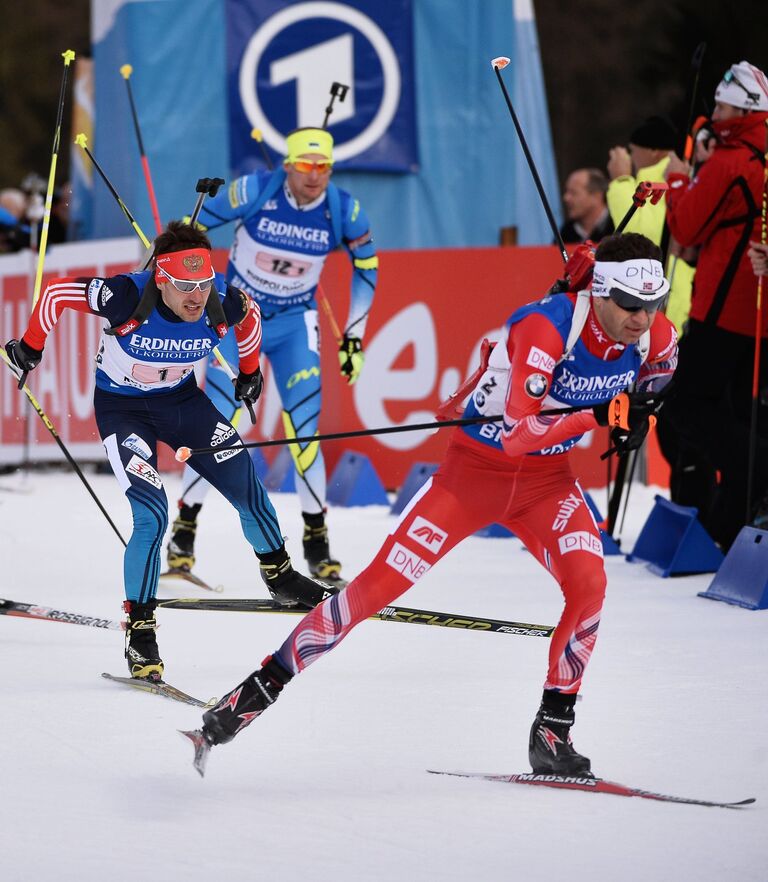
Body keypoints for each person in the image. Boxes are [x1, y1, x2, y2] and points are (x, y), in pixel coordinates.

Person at [183, 232, 678, 778]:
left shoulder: (656, 335)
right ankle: (253, 693)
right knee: (372, 590)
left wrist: (638, 419)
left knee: (590, 585)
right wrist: (599, 415)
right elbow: (516, 434)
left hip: (548, 484)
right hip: (473, 475)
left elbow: (653, 392)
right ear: (602, 293)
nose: (641, 318)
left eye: (652, 304)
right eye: (630, 305)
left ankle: (552, 733)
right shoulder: (545, 325)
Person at [4, 221, 331, 681]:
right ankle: (140, 629)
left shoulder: (220, 300)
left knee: (245, 480)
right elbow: (57, 295)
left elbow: (251, 317)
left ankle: (279, 575)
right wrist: (29, 347)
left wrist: (250, 373)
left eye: (203, 285)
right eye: (185, 287)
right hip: (123, 411)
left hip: (182, 406)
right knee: (152, 513)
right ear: (161, 278)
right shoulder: (125, 296)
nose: (197, 297)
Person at [167, 127, 378, 586]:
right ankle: (183, 535)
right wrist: (186, 266)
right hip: (237, 318)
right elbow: (193, 228)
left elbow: (368, 265)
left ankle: (317, 546)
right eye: (305, 165)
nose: (315, 175)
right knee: (218, 424)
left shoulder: (342, 208)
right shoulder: (256, 190)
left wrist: (354, 336)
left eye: (323, 166)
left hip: (294, 327)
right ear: (288, 165)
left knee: (305, 431)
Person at [663, 60, 768, 550]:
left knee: (684, 405)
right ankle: (725, 526)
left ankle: (756, 468)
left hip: (721, 311)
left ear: (743, 108)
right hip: (751, 312)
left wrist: (680, 180)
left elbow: (685, 228)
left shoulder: (731, 160)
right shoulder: (753, 152)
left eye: (723, 104)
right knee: (738, 414)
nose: (715, 112)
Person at [558, 168, 614, 244]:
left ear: (596, 196)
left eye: (573, 193)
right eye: (567, 192)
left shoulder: (617, 224)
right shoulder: (565, 232)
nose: (566, 198)